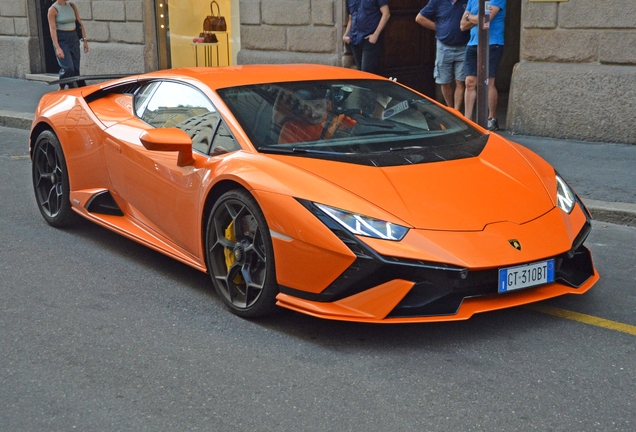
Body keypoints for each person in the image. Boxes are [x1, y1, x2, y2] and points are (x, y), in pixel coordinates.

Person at [416, 0, 469, 111]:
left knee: (461, 81)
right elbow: (419, 18)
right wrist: (439, 27)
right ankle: (450, 109)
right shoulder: (437, 1)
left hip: (463, 46)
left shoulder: (467, 1)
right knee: (444, 81)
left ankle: (457, 111)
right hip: (444, 47)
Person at [460, 0, 506, 131]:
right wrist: (475, 18)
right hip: (473, 44)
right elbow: (462, 25)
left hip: (493, 43)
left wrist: (469, 16)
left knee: (488, 81)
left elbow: (486, 20)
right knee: (469, 82)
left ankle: (492, 119)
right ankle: (467, 120)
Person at [278, 89, 355, 144]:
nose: (313, 114)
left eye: (318, 106)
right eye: (306, 107)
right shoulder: (292, 128)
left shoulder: (339, 120)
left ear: (327, 104)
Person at [48, 0, 89, 89]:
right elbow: (53, 29)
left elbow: (80, 24)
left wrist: (84, 40)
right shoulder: (53, 9)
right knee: (68, 67)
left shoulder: (72, 6)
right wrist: (57, 47)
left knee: (76, 68)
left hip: (73, 37)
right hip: (62, 39)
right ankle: (62, 85)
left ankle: (73, 87)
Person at [343, 0, 391, 74]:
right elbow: (351, 17)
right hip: (355, 39)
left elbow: (386, 14)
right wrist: (345, 35)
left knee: (367, 72)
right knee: (360, 72)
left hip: (369, 39)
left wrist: (375, 34)